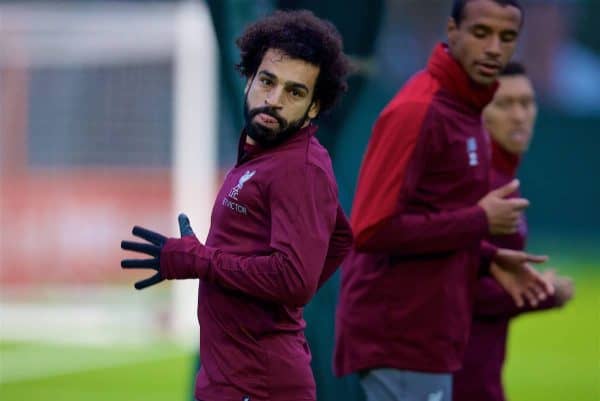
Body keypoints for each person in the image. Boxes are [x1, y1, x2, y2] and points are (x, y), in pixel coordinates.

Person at [120, 10, 353, 401]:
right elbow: (340, 238)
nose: (274, 100)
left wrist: (199, 261)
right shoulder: (267, 155)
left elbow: (294, 280)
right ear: (249, 78)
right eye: (267, 81)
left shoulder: (300, 167)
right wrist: (272, 308)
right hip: (233, 377)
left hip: (257, 384)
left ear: (314, 107)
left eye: (295, 92)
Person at [334, 1, 554, 400]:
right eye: (480, 33)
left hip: (429, 340)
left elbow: (434, 215)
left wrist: (485, 255)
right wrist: (479, 222)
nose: (493, 48)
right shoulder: (420, 109)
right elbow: (370, 228)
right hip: (399, 338)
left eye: (506, 38)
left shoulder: (465, 109)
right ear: (452, 32)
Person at [452, 61, 574, 401]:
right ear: (479, 111)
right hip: (458, 373)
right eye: (505, 104)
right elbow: (453, 280)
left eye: (527, 102)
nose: (520, 115)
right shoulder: (475, 182)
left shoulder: (504, 179)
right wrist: (545, 292)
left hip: (481, 370)